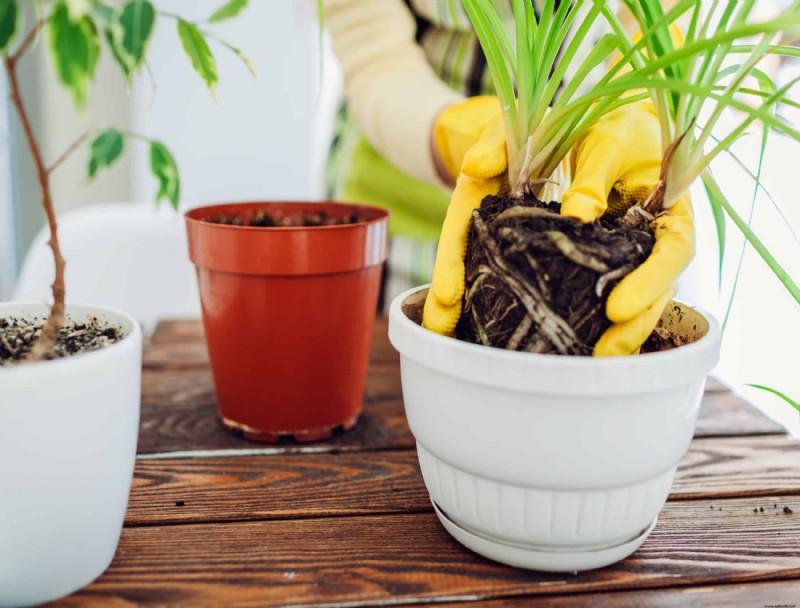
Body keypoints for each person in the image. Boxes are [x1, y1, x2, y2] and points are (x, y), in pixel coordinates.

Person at [323, 0, 693, 356]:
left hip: (593, 198)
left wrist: (645, 110)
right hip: (403, 208)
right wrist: (455, 135)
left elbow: (657, 19)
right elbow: (376, 54)